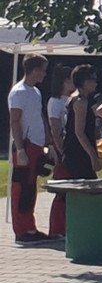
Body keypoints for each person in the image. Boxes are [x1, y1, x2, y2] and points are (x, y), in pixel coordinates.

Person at [9, 54, 63, 244]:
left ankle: (30, 228)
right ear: (34, 70)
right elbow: (15, 121)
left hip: (37, 145)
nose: (44, 74)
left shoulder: (36, 92)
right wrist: (21, 150)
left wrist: (49, 143)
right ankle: (21, 231)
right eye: (43, 70)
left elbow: (40, 118)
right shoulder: (19, 92)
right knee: (21, 188)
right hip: (26, 144)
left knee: (31, 188)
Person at [58, 65, 100, 189]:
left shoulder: (76, 98)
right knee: (88, 189)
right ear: (84, 82)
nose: (96, 83)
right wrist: (93, 157)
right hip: (78, 154)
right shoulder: (81, 101)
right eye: (92, 79)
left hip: (75, 152)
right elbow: (79, 132)